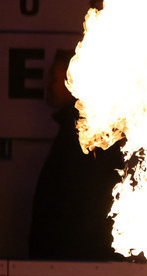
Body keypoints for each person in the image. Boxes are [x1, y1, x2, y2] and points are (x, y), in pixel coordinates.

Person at [29, 51, 123, 261]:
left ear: (74, 83)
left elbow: (79, 206)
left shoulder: (88, 135)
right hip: (70, 262)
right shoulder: (75, 131)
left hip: (77, 262)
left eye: (54, 79)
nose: (47, 86)